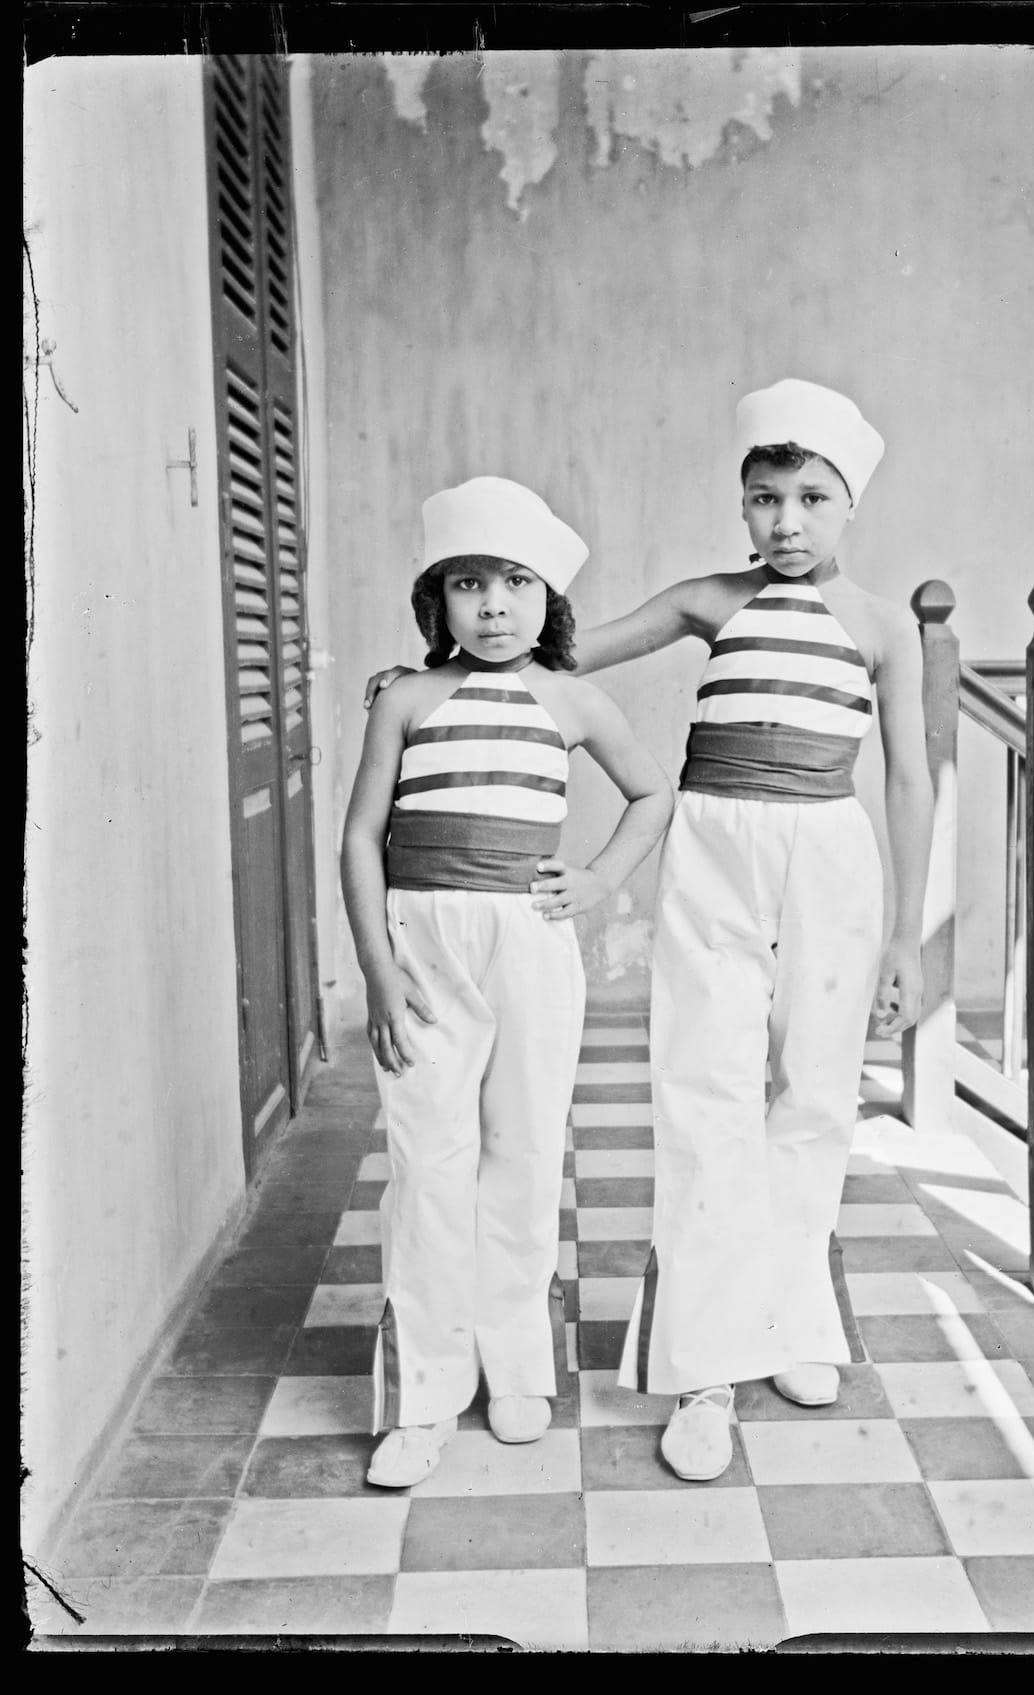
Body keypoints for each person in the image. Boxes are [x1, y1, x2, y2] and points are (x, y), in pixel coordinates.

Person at [363, 381, 932, 1482]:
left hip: (828, 851)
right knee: (705, 1091)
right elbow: (554, 657)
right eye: (764, 498)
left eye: (812, 498)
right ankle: (705, 1370)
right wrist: (427, 680)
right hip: (716, 848)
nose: (786, 523)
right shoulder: (707, 600)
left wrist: (905, 934)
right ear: (739, 504)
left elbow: (906, 776)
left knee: (813, 1093)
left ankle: (793, 1323)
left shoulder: (877, 627)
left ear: (848, 504)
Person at [342, 475, 672, 1489]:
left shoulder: (569, 698)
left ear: (549, 601)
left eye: (515, 584)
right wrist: (379, 972)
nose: (492, 606)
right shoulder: (406, 696)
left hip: (528, 943)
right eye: (469, 585)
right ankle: (424, 1392)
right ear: (435, 602)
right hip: (425, 947)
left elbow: (651, 792)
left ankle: (517, 1363)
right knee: (429, 1161)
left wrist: (602, 877)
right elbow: (360, 836)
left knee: (523, 1152)